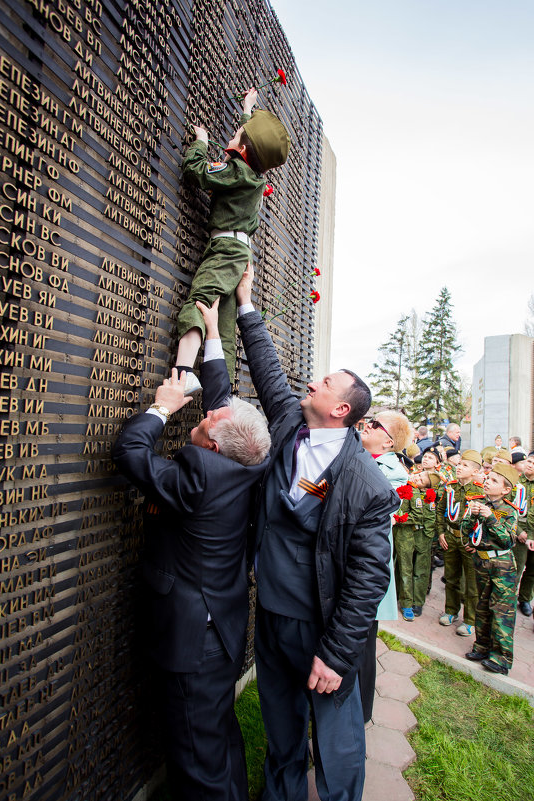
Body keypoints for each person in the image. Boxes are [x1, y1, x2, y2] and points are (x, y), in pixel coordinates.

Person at [235, 265, 399, 801]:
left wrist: (337, 653)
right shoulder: (288, 425)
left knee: (337, 741)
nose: (313, 381)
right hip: (274, 619)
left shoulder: (368, 485)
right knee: (281, 726)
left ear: (341, 408)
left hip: (321, 629)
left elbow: (367, 579)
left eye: (326, 382)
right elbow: (266, 370)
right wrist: (244, 304)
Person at [112, 299, 271, 801]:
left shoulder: (200, 477)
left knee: (196, 761)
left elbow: (130, 454)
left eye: (205, 423)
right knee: (217, 737)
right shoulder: (251, 459)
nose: (203, 418)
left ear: (215, 447)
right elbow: (224, 408)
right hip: (221, 628)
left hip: (192, 642)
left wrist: (163, 405)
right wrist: (212, 336)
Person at [175, 88, 290, 390]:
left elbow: (196, 172)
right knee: (224, 330)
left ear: (242, 150)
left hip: (225, 250)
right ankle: (220, 404)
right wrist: (247, 108)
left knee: (201, 301)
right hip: (239, 253)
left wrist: (200, 142)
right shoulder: (253, 172)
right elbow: (251, 141)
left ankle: (183, 373)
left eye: (236, 134)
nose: (229, 137)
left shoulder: (236, 171)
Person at [359, 411, 409, 719]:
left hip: (366, 570)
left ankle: (361, 711)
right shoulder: (350, 452)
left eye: (375, 424)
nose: (367, 423)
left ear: (388, 441)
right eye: (369, 419)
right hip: (339, 563)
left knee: (362, 644)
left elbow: (372, 513)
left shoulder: (395, 473)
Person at [463, 463, 519, 675]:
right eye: (488, 478)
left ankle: (502, 657)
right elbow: (466, 532)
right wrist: (472, 516)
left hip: (502, 565)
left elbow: (507, 541)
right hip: (482, 561)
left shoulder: (508, 511)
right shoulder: (478, 503)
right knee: (483, 605)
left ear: (505, 490)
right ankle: (482, 646)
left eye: (494, 480)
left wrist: (490, 517)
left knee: (502, 610)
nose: (487, 481)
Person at [436, 450, 485, 637]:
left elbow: (483, 520)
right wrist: (441, 532)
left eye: (465, 465)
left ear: (474, 471)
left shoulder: (480, 491)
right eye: (460, 463)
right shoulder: (451, 486)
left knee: (471, 584)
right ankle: (451, 611)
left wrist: (476, 543)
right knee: (451, 577)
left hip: (469, 542)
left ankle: (470, 620)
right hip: (450, 537)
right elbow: (441, 510)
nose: (459, 467)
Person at [393, 470, 440, 620]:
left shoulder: (426, 496)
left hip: (421, 536)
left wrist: (398, 519)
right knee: (404, 569)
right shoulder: (408, 489)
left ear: (427, 487)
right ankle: (405, 601)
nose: (416, 477)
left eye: (421, 479)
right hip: (406, 535)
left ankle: (417, 602)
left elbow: (426, 517)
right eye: (418, 475)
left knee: (420, 570)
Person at [513, 452, 534, 616]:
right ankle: (510, 598)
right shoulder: (516, 482)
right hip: (518, 533)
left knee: (532, 571)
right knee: (516, 568)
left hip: (532, 536)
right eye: (529, 461)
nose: (530, 465)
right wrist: (519, 532)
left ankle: (525, 598)